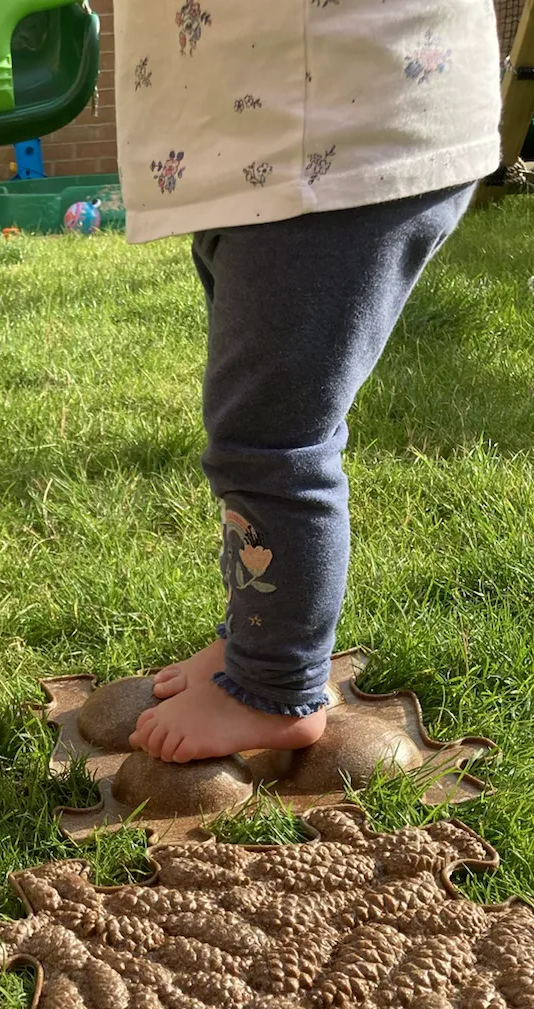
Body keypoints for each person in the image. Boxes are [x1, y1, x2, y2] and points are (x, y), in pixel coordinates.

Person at [117, 3, 501, 763]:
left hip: (330, 139)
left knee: (272, 439)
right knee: (265, 425)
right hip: (269, 141)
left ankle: (274, 686)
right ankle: (252, 640)